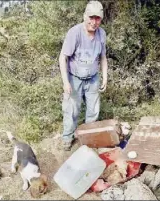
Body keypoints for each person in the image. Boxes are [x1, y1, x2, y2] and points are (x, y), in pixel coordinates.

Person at [59, 1, 108, 151]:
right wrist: (66, 82)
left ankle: (88, 138)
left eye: (97, 18)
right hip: (74, 77)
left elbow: (103, 58)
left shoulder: (102, 34)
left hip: (93, 78)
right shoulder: (75, 33)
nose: (94, 22)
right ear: (84, 16)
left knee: (93, 111)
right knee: (72, 109)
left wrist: (105, 77)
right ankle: (67, 137)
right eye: (91, 17)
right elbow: (63, 57)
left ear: (101, 19)